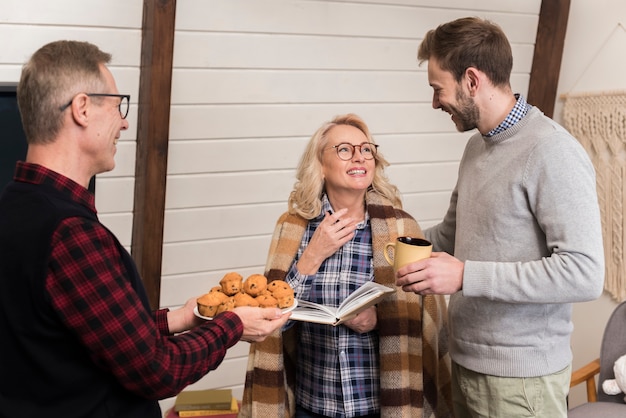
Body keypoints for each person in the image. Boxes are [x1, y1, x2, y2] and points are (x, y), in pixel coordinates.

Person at [0, 40, 290, 418]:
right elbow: (156, 371)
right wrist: (233, 325)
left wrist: (178, 319)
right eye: (118, 105)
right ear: (82, 109)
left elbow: (88, 330)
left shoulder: (14, 204)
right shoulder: (70, 234)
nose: (123, 121)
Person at [395, 17, 605, 418]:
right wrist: (386, 240)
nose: (435, 103)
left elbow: (584, 272)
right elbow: (449, 237)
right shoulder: (477, 148)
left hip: (521, 385)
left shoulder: (551, 151)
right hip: (465, 365)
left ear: (472, 80)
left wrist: (464, 277)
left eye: (438, 89)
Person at [240, 113, 452, 418]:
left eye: (366, 149)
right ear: (320, 165)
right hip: (311, 406)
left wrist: (378, 320)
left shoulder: (402, 228)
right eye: (344, 149)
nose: (359, 157)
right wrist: (312, 256)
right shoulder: (292, 228)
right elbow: (271, 323)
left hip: (381, 407)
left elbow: (421, 320)